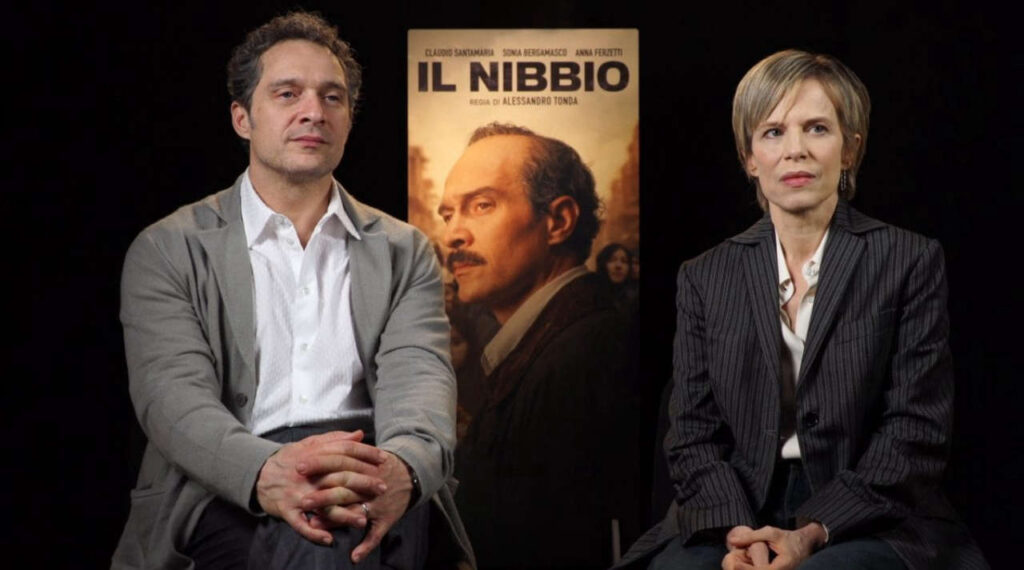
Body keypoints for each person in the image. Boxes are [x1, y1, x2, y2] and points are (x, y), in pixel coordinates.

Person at [112, 12, 473, 569]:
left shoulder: (406, 251)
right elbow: (173, 402)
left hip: (371, 467)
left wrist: (399, 466)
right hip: (224, 483)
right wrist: (266, 470)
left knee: (337, 532)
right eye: (287, 94)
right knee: (328, 543)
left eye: (333, 97)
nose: (314, 112)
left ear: (348, 120)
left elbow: (422, 387)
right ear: (242, 118)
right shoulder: (168, 249)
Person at [617, 50, 987, 569]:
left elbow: (914, 432)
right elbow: (692, 434)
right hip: (734, 508)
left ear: (850, 149)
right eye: (773, 132)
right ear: (749, 157)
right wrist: (739, 535)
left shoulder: (908, 259)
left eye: (817, 128)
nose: (795, 150)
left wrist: (813, 532)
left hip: (868, 513)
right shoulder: (704, 275)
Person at [439, 123, 640, 568]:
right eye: (448, 214)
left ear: (559, 221)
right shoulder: (548, 339)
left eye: (481, 205)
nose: (453, 234)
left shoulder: (588, 353)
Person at [595, 242, 639, 317]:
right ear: (603, 264)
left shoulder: (634, 301)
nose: (618, 266)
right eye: (612, 260)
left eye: (624, 261)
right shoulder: (590, 294)